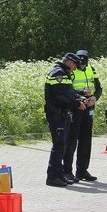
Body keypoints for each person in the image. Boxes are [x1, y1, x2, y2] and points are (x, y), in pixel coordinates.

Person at [44, 53, 87, 187]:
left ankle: (59, 175)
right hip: (58, 115)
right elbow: (61, 96)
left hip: (63, 115)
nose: (74, 68)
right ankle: (52, 177)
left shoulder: (63, 72)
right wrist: (77, 104)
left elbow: (69, 92)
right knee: (58, 146)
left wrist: (80, 97)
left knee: (61, 146)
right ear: (69, 62)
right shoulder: (58, 73)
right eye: (74, 65)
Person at [64, 49, 102, 182]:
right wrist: (81, 95)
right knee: (72, 140)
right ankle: (67, 171)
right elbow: (68, 90)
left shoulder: (91, 69)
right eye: (80, 63)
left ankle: (82, 170)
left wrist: (94, 98)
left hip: (89, 108)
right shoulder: (71, 70)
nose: (82, 65)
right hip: (76, 108)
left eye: (84, 63)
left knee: (86, 141)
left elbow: (99, 88)